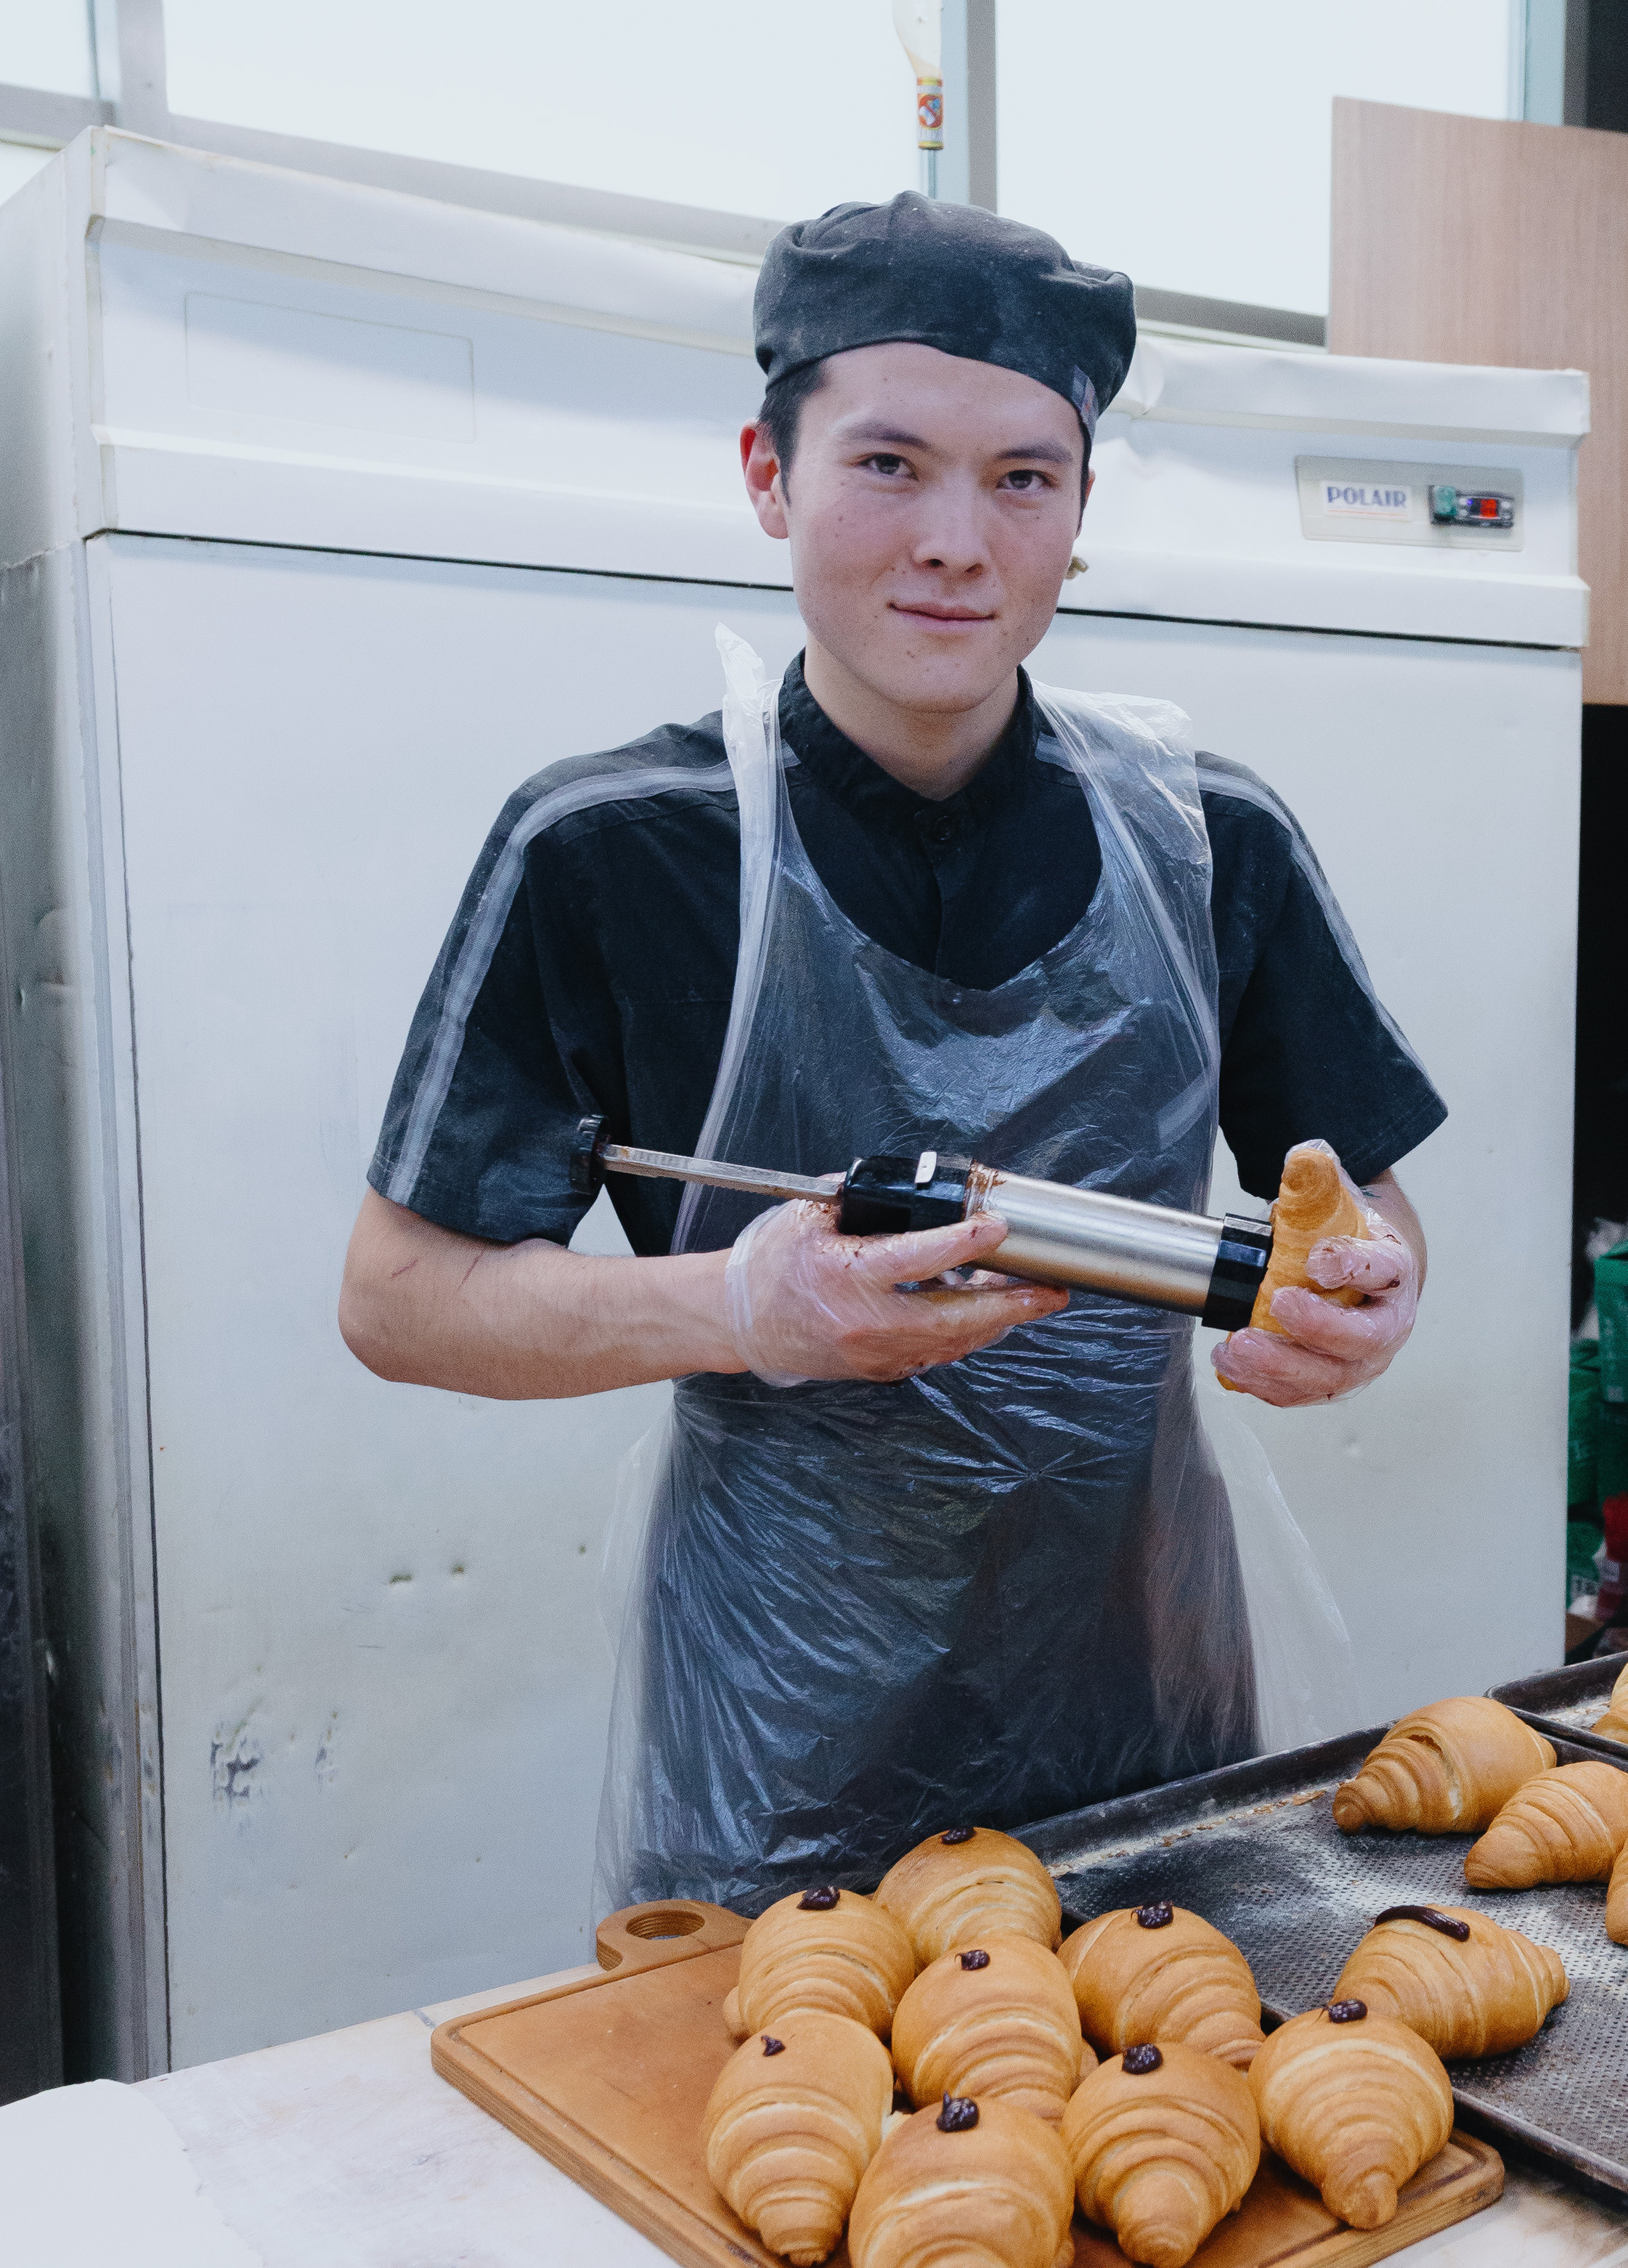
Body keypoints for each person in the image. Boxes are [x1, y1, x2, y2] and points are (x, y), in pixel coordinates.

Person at [339, 194, 1444, 1907]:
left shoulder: (1208, 834)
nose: (955, 541)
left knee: (1168, 2113)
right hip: (786, 1734)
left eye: (1024, 478)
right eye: (886, 465)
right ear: (768, 477)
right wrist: (737, 1310)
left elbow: (1361, 1213)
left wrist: (1362, 1302)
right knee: (793, 2137)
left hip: (1145, 1687)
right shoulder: (609, 848)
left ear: (1078, 516)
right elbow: (397, 1299)